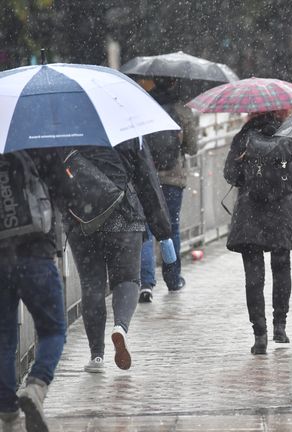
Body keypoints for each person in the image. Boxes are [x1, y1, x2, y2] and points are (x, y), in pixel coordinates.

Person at [45, 140, 172, 374]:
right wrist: (163, 230)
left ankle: (96, 356)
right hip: (123, 213)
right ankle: (120, 327)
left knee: (92, 285)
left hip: (81, 220)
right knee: (128, 279)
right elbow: (147, 181)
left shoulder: (65, 131)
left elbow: (53, 182)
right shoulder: (124, 129)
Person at [223, 110, 292, 355]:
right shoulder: (290, 136)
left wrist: (245, 163)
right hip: (281, 210)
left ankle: (260, 335)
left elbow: (230, 176)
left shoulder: (243, 137)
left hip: (250, 212)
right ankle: (280, 325)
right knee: (281, 265)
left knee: (253, 276)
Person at [0, 153, 66, 432]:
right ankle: (36, 387)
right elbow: (64, 191)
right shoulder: (35, 146)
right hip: (35, 254)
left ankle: (6, 409)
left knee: (3, 338)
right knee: (53, 329)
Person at [139, 78, 199, 302]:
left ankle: (145, 283)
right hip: (172, 179)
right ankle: (173, 279)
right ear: (175, 83)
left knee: (145, 229)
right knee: (170, 228)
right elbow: (192, 148)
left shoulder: (143, 106)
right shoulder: (181, 111)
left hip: (147, 178)